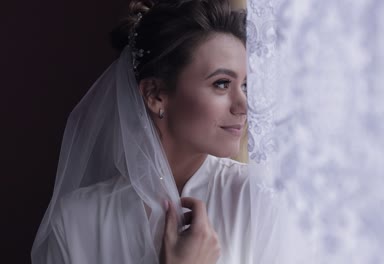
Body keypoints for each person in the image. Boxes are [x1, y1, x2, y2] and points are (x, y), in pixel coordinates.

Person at [31, 0, 250, 263]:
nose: (243, 105)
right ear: (155, 94)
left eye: (245, 85)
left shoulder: (257, 197)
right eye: (222, 84)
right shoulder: (74, 221)